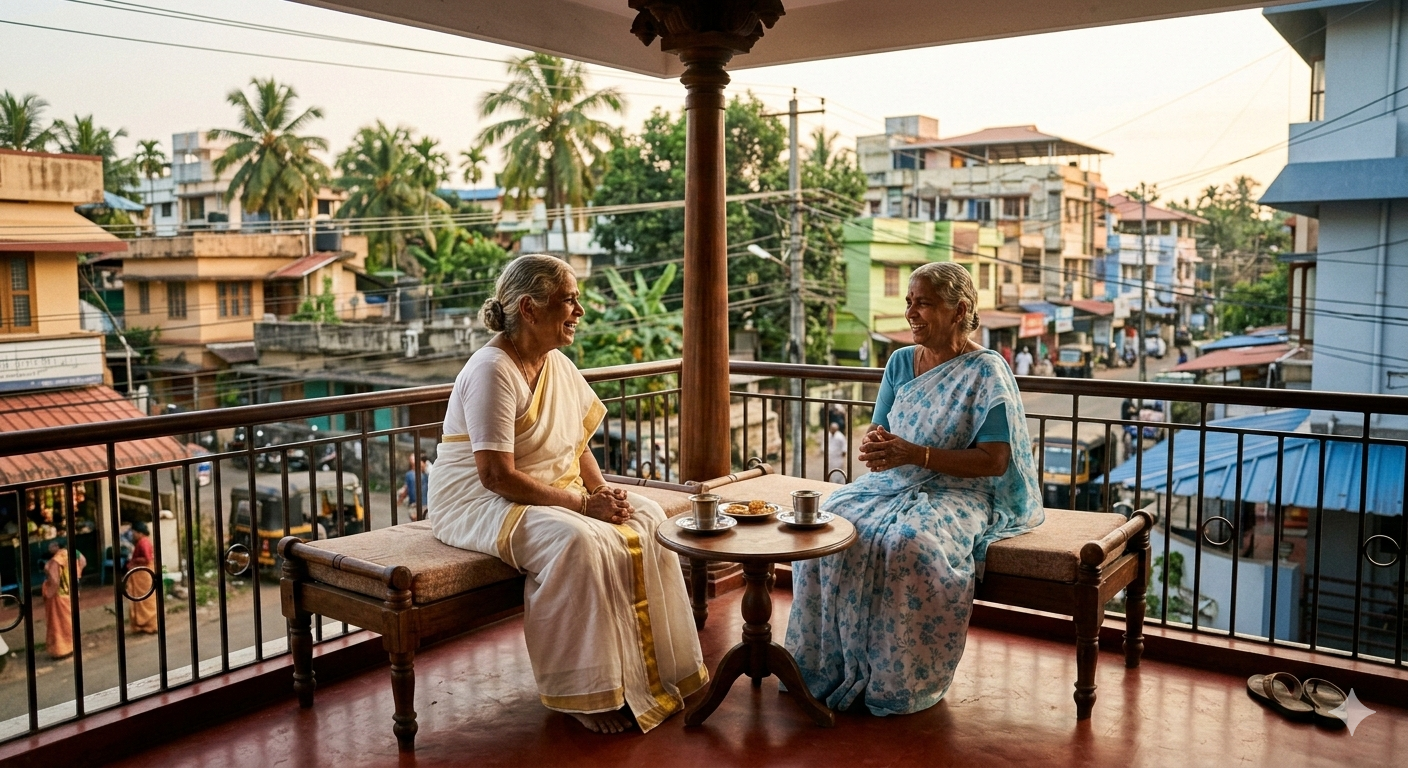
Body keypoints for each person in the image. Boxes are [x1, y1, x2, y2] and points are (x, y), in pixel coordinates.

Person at [427, 255, 704, 735]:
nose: (579, 310)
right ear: (530, 308)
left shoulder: (556, 364)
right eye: (569, 300)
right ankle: (585, 694)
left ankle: (661, 670)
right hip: (476, 501)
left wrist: (604, 493)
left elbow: (577, 447)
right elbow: (495, 475)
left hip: (541, 490)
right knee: (576, 541)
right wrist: (581, 504)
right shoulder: (493, 370)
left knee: (649, 515)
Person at [786, 261, 1043, 717]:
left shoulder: (986, 371)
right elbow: (880, 429)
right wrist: (877, 446)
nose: (911, 313)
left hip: (959, 492)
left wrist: (916, 455)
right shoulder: (901, 361)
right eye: (909, 302)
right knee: (826, 527)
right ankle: (824, 667)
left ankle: (895, 681)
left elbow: (994, 460)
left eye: (923, 303)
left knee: (908, 543)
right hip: (893, 482)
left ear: (959, 309)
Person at [42, 538, 86, 659]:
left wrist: (48, 593)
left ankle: (62, 649)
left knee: (59, 624)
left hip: (60, 595)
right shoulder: (72, 553)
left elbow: (55, 580)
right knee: (70, 621)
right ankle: (73, 646)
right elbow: (83, 562)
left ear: (57, 546)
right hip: (72, 592)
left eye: (51, 546)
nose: (49, 548)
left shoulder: (57, 560)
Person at [126, 520, 158, 635]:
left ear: (139, 532)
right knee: (143, 600)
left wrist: (133, 561)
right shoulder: (143, 541)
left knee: (144, 600)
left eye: (134, 532)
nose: (133, 534)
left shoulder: (143, 542)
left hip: (143, 575)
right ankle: (144, 625)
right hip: (143, 573)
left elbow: (147, 559)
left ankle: (149, 625)